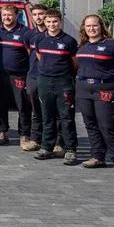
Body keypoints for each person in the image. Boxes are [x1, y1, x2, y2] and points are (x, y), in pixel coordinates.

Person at [76, 14, 114, 175]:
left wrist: (110, 83)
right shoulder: (83, 46)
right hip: (84, 89)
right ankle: (97, 156)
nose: (91, 29)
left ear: (101, 27)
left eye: (94, 25)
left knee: (108, 125)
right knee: (91, 124)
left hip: (106, 89)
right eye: (88, 26)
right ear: (84, 29)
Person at [33, 9, 79, 164]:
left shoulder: (69, 41)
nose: (52, 25)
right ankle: (47, 147)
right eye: (48, 22)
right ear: (44, 23)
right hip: (44, 81)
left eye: (55, 22)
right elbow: (40, 57)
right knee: (47, 116)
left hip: (63, 82)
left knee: (66, 117)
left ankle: (70, 149)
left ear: (60, 22)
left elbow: (74, 63)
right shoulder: (39, 39)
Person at [0, 5, 34, 147]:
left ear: (16, 16)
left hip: (19, 75)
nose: (6, 18)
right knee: (0, 104)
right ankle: (2, 132)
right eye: (4, 15)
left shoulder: (25, 32)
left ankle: (24, 135)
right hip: (0, 74)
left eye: (9, 15)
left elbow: (31, 54)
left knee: (23, 106)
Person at [25, 3, 51, 153]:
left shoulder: (52, 33)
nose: (38, 17)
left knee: (50, 110)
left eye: (41, 14)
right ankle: (35, 139)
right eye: (35, 15)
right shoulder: (30, 34)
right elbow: (28, 52)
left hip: (50, 77)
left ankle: (54, 141)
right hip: (33, 76)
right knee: (35, 110)